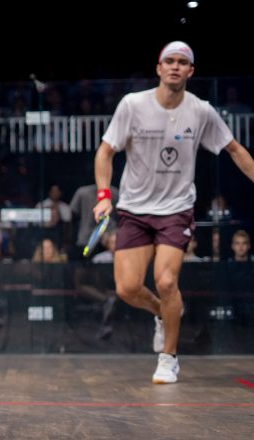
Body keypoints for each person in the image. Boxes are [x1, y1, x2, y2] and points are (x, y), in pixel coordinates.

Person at [92, 41, 254, 384]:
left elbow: (236, 151)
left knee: (166, 281)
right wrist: (104, 195)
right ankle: (162, 315)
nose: (176, 66)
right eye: (170, 61)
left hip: (176, 210)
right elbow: (106, 152)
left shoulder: (201, 111)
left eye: (183, 62)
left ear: (191, 71)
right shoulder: (132, 105)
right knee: (127, 288)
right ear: (159, 68)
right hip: (134, 209)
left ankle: (168, 357)